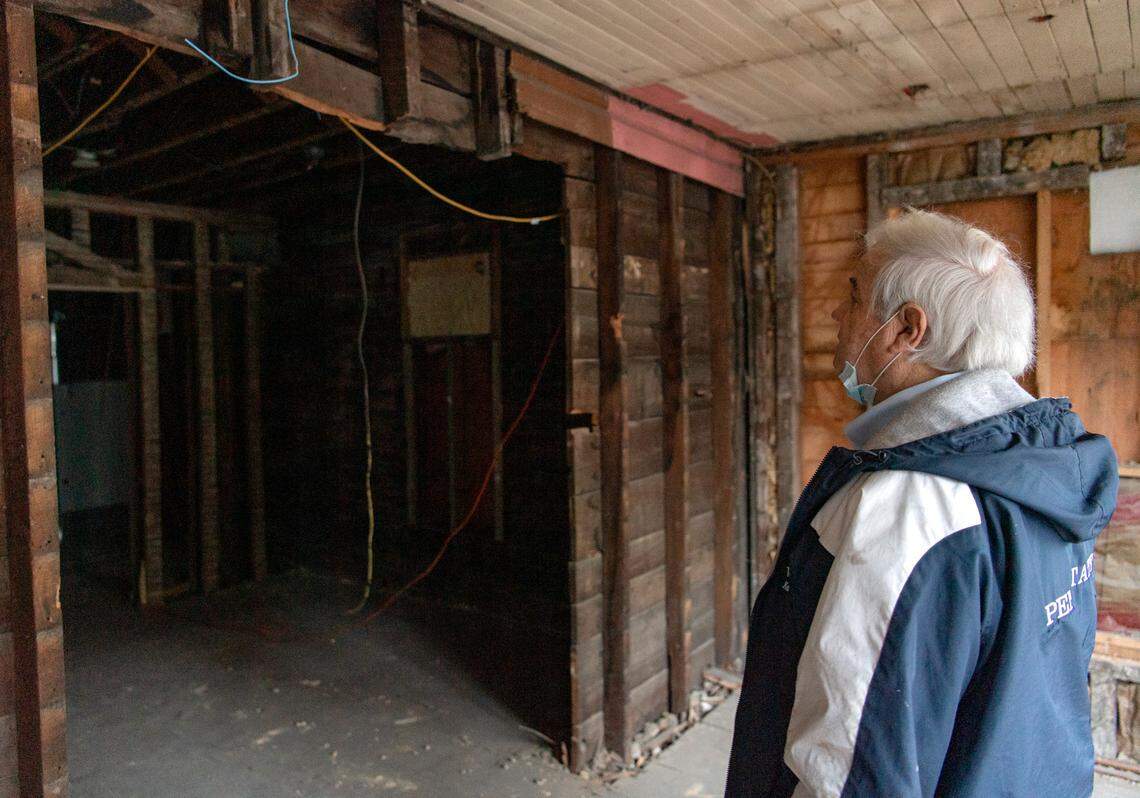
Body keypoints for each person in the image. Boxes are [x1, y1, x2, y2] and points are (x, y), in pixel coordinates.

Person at [726, 209, 1119, 798]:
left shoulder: (908, 510)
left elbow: (852, 771)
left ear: (908, 329)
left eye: (854, 294)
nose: (837, 313)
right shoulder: (1050, 466)